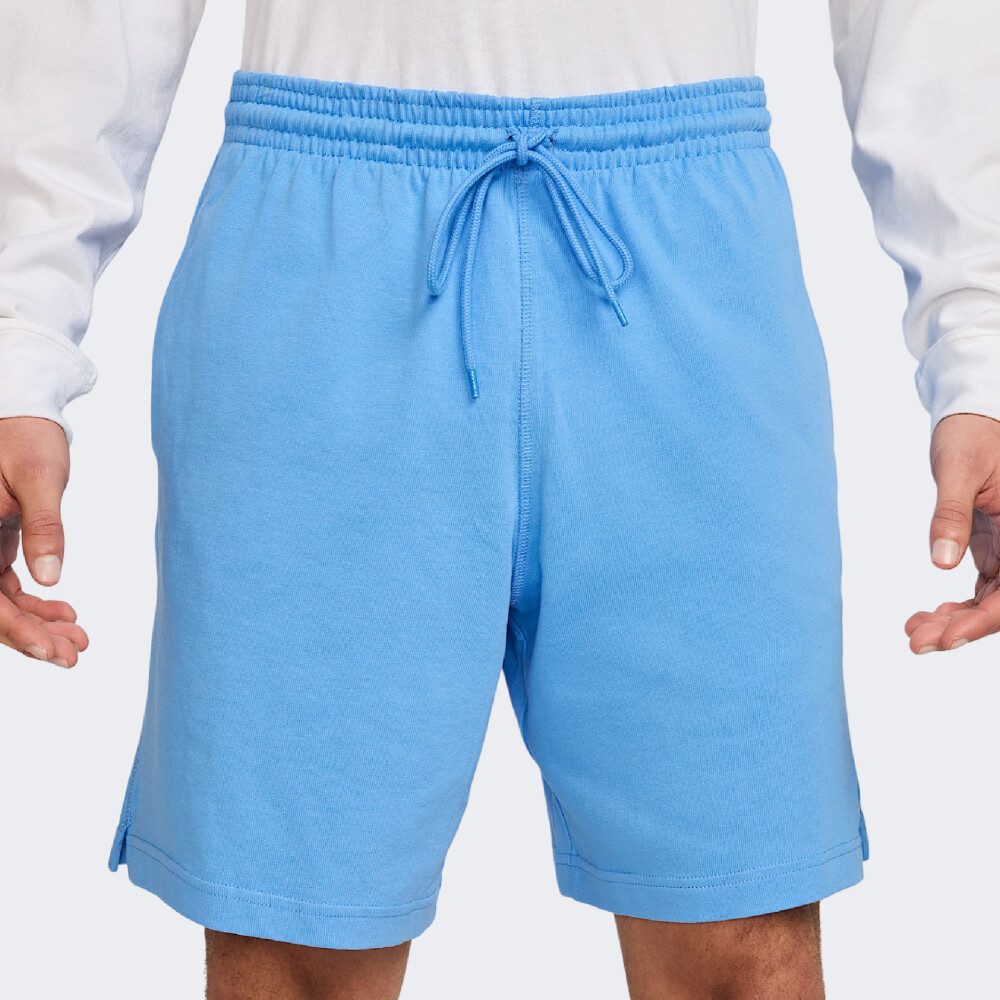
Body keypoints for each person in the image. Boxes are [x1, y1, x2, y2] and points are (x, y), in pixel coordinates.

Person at [1, 2, 997, 998]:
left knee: (741, 935)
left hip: (689, 256)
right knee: (296, 943)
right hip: (325, 260)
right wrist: (18, 352)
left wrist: (981, 353)